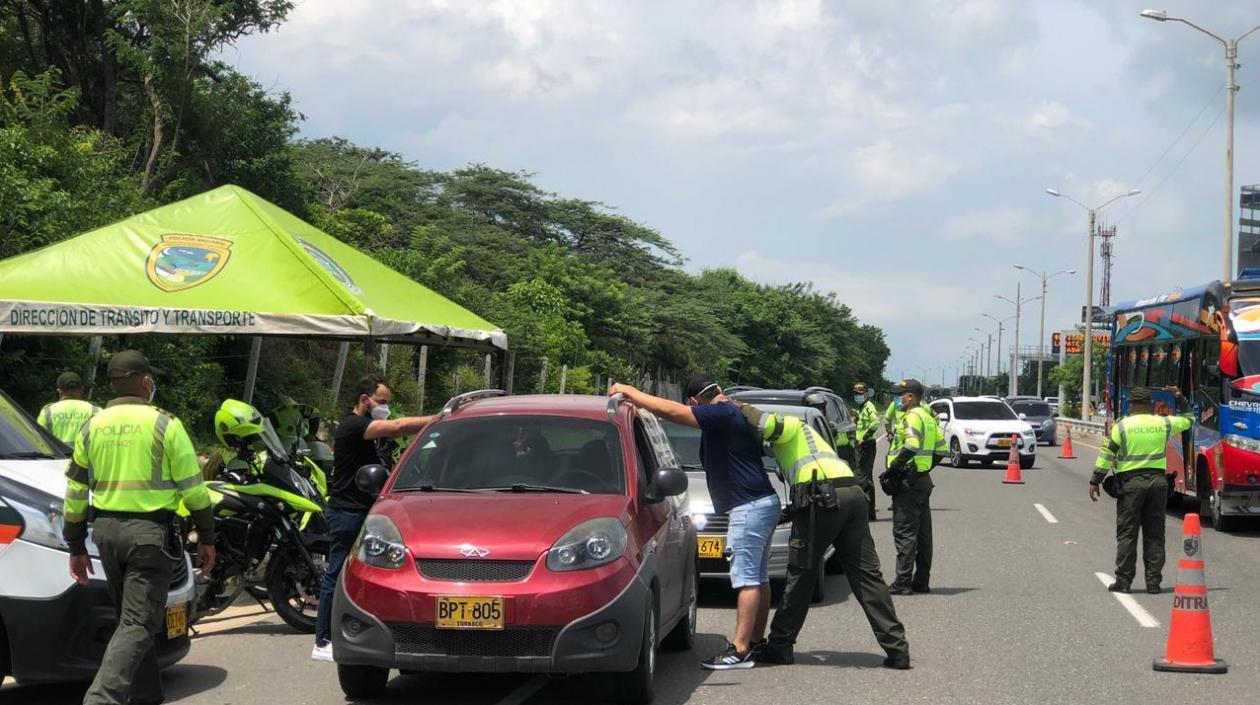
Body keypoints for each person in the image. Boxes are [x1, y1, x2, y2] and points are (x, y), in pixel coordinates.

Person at [61, 350, 216, 705]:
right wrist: (207, 537)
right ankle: (101, 700)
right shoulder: (165, 424)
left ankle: (147, 696)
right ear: (146, 381)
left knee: (130, 619)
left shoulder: (92, 426)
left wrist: (75, 545)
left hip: (106, 534)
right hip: (148, 537)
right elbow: (194, 490)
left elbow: (75, 492)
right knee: (138, 622)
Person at [608, 375, 778, 670]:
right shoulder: (727, 411)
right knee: (757, 577)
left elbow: (672, 411)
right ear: (718, 389)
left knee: (747, 578)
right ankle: (755, 643)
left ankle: (739, 650)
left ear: (695, 401)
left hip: (749, 506)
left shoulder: (721, 411)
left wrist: (630, 391)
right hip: (760, 503)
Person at [742, 406, 910, 669]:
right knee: (867, 574)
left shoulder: (790, 426)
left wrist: (736, 406)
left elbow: (764, 423)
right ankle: (898, 649)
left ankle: (780, 646)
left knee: (801, 573)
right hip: (851, 494)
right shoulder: (809, 442)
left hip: (822, 497)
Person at [312, 374, 439, 661]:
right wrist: (438, 419)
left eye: (388, 402)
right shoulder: (353, 426)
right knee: (337, 573)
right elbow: (397, 427)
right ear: (364, 400)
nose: (386, 408)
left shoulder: (372, 433)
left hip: (369, 510)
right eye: (381, 402)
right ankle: (323, 639)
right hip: (347, 511)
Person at [1089, 386, 1193, 594]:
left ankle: (1123, 582)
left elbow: (1107, 454)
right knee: (1155, 534)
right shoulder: (1164, 423)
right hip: (1158, 484)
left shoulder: (1122, 426)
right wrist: (1179, 396)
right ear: (1150, 405)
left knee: (1127, 534)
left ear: (1132, 405)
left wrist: (1095, 480)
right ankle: (1153, 583)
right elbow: (1189, 419)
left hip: (1131, 486)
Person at [886, 380, 946, 596]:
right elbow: (942, 449)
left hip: (908, 482)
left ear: (910, 397)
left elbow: (911, 445)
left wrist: (895, 468)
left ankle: (903, 582)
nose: (896, 399)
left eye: (899, 395)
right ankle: (921, 581)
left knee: (905, 532)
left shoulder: (911, 416)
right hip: (922, 480)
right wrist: (925, 468)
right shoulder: (927, 417)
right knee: (923, 534)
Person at [37, 371, 101, 445]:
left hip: (56, 452)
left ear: (59, 391)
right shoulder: (96, 410)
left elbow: (38, 439)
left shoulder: (47, 411)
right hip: (85, 452)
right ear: (82, 389)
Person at [853, 383, 880, 520]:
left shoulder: (869, 407)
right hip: (862, 445)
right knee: (864, 477)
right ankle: (868, 512)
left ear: (866, 394)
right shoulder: (861, 408)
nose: (857, 396)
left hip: (866, 445)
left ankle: (869, 512)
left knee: (864, 478)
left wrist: (864, 437)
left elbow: (876, 423)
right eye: (855, 394)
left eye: (860, 394)